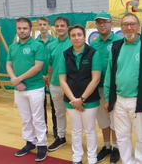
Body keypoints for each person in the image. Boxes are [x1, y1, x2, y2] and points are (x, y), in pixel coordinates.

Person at [104, 13, 142, 164]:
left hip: (139, 100)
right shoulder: (116, 46)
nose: (129, 27)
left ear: (138, 26)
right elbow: (109, 73)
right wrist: (108, 97)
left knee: (141, 136)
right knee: (121, 136)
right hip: (119, 100)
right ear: (121, 27)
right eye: (125, 24)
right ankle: (127, 161)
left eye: (132, 24)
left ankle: (140, 162)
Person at [59, 24, 101, 164]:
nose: (76, 38)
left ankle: (92, 158)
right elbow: (62, 80)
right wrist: (73, 99)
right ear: (70, 38)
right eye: (73, 35)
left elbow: (95, 79)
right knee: (76, 130)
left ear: (84, 36)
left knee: (89, 130)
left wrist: (81, 99)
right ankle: (77, 157)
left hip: (90, 100)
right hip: (71, 101)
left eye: (79, 35)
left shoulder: (93, 53)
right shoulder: (65, 54)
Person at [6, 17, 47, 161]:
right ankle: (30, 142)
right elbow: (9, 66)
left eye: (24, 28)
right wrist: (15, 81)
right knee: (25, 118)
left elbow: (38, 67)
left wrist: (19, 79)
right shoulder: (13, 47)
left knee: (38, 118)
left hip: (35, 88)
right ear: (16, 29)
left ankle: (42, 144)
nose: (22, 31)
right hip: (19, 89)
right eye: (19, 28)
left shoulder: (37, 45)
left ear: (30, 29)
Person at [90, 12, 122, 164]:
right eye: (99, 22)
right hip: (98, 88)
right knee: (103, 119)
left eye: (105, 22)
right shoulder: (94, 44)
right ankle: (107, 146)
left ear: (111, 24)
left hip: (115, 89)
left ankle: (116, 148)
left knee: (115, 119)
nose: (102, 25)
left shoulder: (119, 41)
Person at [48, 16, 72, 151]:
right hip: (55, 85)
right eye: (57, 26)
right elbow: (51, 65)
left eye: (62, 25)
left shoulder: (73, 42)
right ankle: (61, 137)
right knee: (59, 112)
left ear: (67, 27)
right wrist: (50, 80)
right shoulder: (52, 45)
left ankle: (78, 140)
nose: (59, 28)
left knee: (75, 114)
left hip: (70, 86)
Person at [36, 17, 58, 138]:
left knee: (55, 107)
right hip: (39, 79)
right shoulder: (34, 43)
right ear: (38, 26)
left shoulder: (55, 42)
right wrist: (42, 76)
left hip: (53, 78)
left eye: (45, 24)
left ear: (49, 26)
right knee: (40, 107)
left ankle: (56, 130)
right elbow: (33, 63)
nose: (43, 26)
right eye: (40, 24)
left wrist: (49, 76)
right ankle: (43, 130)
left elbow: (56, 61)